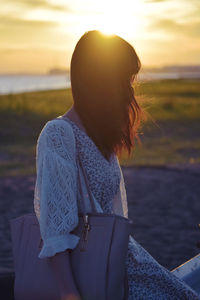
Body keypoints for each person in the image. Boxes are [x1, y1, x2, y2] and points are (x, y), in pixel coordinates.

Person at [33, 30, 200, 300]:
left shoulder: (98, 135)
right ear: (100, 79)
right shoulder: (58, 134)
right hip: (93, 273)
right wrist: (69, 294)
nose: (130, 88)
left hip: (122, 263)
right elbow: (55, 227)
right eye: (124, 78)